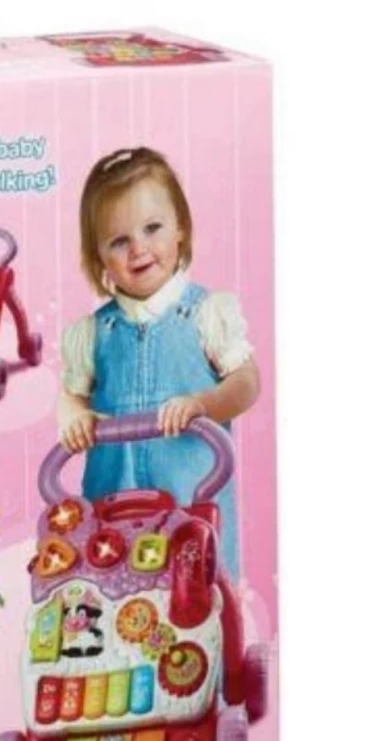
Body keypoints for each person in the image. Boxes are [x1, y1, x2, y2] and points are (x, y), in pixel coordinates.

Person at [58, 147, 259, 579]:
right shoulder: (93, 334)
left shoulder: (207, 314)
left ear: (180, 228)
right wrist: (73, 416)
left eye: (152, 228)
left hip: (193, 511)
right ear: (99, 257)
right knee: (112, 603)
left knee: (200, 603)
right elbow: (71, 395)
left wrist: (203, 404)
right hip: (113, 520)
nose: (139, 249)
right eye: (119, 241)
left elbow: (247, 382)